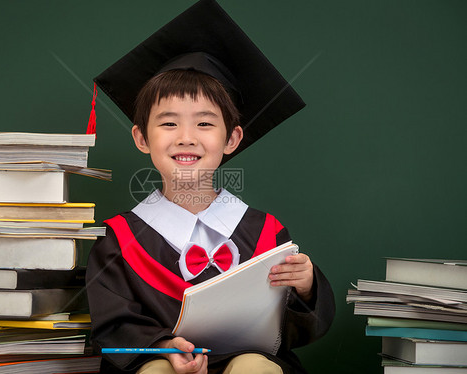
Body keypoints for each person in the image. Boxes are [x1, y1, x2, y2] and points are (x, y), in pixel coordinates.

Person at [86, 1, 335, 373]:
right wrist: (165, 346)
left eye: (205, 124)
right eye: (168, 124)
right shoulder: (118, 241)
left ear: (232, 139)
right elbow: (113, 326)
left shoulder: (267, 234)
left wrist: (306, 286)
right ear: (141, 137)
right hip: (162, 362)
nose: (186, 138)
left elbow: (290, 329)